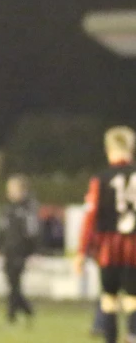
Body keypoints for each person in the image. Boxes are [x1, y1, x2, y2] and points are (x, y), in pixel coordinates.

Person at [75, 126, 136, 343]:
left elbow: (90, 218)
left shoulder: (100, 179)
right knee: (133, 298)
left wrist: (81, 252)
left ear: (108, 149)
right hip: (134, 246)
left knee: (109, 298)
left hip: (109, 247)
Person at [0, 174, 39, 325]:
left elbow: (32, 232)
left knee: (14, 283)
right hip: (8, 250)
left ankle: (11, 316)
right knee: (12, 283)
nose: (10, 192)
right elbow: (2, 230)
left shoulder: (28, 208)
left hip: (21, 251)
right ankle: (27, 310)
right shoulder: (7, 208)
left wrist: (33, 251)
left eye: (13, 189)